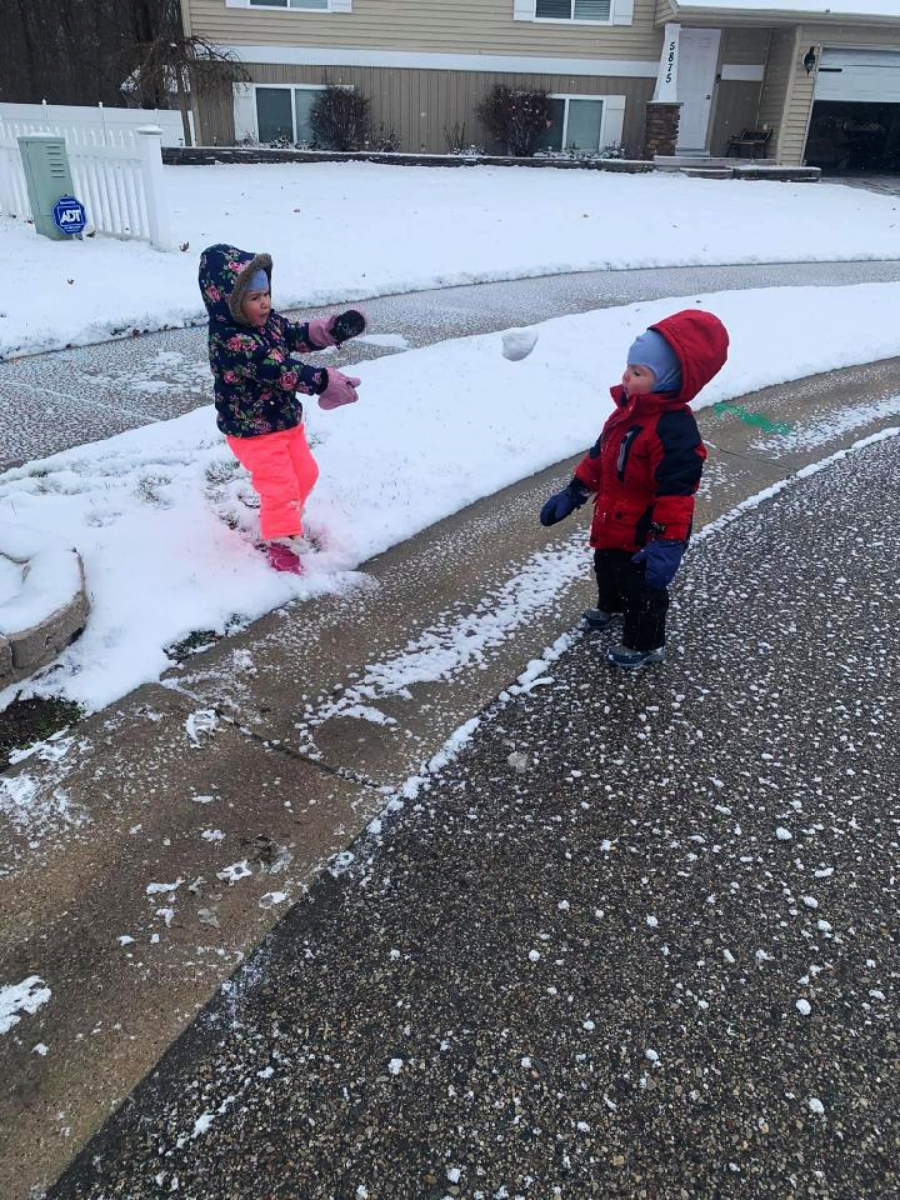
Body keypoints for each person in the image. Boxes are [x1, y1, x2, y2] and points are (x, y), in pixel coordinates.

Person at [540, 309, 729, 669]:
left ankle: (646, 643)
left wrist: (667, 543)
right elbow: (600, 456)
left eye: (639, 373)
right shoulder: (625, 414)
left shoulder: (674, 431)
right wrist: (575, 491)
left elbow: (677, 493)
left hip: (649, 531)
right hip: (613, 517)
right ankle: (610, 606)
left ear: (669, 381)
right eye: (629, 367)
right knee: (607, 566)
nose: (627, 377)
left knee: (643, 588)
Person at [199, 243, 367, 574]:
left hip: (284, 421)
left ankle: (282, 516)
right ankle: (280, 543)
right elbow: (279, 369)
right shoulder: (233, 341)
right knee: (281, 487)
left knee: (306, 474)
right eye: (253, 298)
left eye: (266, 294)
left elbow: (294, 334)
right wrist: (322, 381)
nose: (264, 303)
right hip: (252, 430)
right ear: (229, 302)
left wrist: (329, 330)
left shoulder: (267, 323)